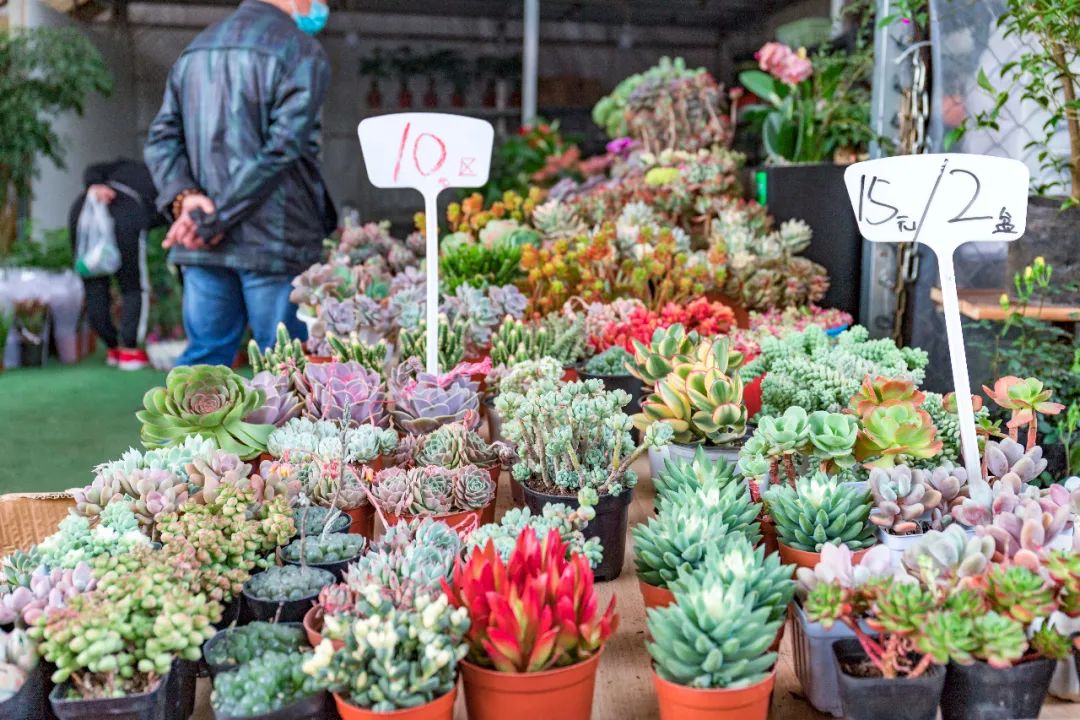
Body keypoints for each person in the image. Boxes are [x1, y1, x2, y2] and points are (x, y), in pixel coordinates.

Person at [144, 0, 337, 367]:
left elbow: (161, 139)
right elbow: (282, 149)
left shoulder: (197, 48)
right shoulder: (300, 51)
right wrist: (210, 219)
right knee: (284, 368)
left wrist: (188, 200)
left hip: (205, 244)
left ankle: (190, 429)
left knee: (203, 367)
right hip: (275, 241)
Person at [68, 159, 163, 370]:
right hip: (126, 214)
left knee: (93, 284)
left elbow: (91, 169)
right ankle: (129, 351)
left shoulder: (124, 166)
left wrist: (94, 185)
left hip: (84, 211)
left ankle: (112, 347)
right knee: (133, 287)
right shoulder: (167, 176)